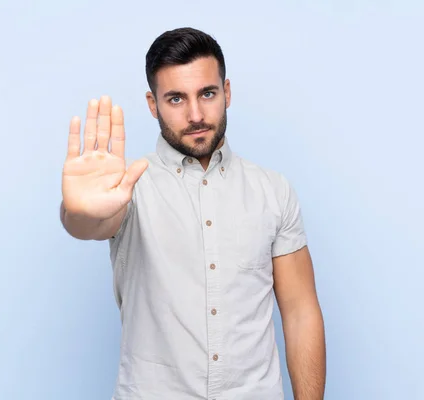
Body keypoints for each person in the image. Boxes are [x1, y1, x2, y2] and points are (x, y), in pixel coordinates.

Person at [60, 27, 326, 400]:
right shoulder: (128, 187)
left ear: (227, 92)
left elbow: (300, 312)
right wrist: (79, 211)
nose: (196, 114)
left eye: (207, 93)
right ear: (153, 105)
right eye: (175, 99)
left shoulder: (273, 190)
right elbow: (88, 223)